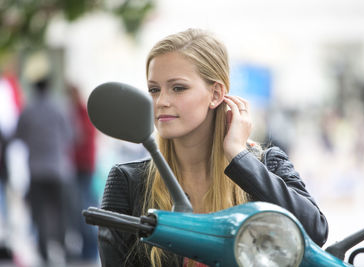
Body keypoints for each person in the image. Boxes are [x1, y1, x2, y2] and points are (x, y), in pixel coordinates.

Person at [98, 28, 329, 267]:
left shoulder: (265, 165)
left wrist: (238, 156)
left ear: (216, 93)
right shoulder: (128, 181)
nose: (161, 101)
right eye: (154, 89)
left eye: (178, 88)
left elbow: (314, 234)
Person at [15, 77, 74, 266]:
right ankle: (63, 248)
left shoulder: (28, 110)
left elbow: (19, 135)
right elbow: (71, 134)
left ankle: (44, 251)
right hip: (57, 169)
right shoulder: (59, 108)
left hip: (37, 170)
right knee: (60, 212)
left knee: (39, 213)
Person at [67, 83, 98, 262]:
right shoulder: (75, 112)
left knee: (85, 206)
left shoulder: (81, 113)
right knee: (81, 206)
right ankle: (87, 249)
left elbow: (81, 137)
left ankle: (90, 249)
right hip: (79, 165)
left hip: (84, 166)